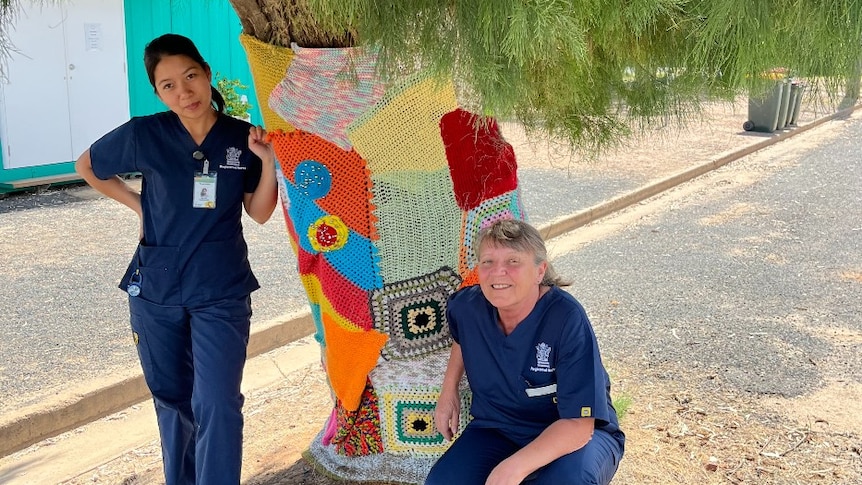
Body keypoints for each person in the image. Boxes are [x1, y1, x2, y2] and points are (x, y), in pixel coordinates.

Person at [75, 33, 277, 485]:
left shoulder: (241, 137)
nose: (183, 92)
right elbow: (87, 165)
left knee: (218, 402)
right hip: (157, 286)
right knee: (172, 398)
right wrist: (139, 206)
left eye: (190, 77)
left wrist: (266, 162)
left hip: (221, 287)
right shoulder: (144, 133)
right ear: (158, 92)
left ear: (206, 73)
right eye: (168, 85)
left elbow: (260, 212)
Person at [426, 219, 625, 485]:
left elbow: (579, 425)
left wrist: (513, 468)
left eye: (513, 261)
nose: (498, 272)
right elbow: (462, 337)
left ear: (540, 271)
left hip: (575, 431)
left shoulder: (566, 318)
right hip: (499, 427)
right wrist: (448, 392)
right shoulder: (468, 306)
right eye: (488, 262)